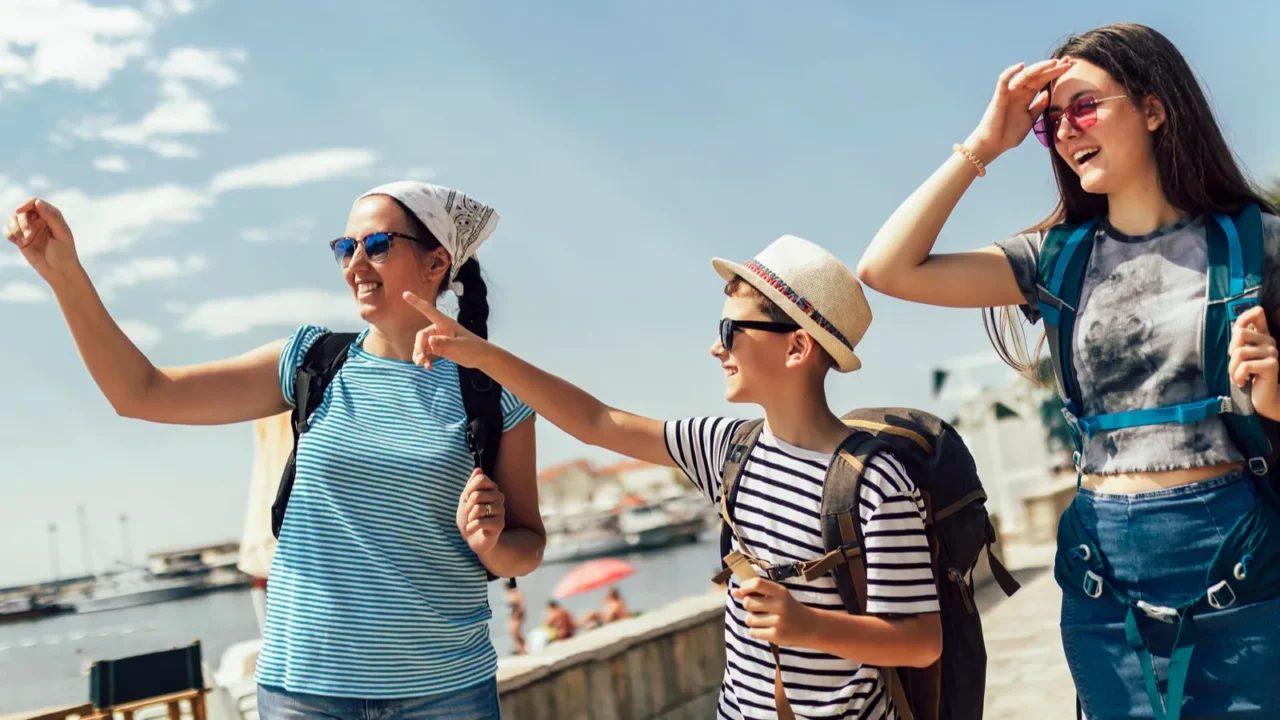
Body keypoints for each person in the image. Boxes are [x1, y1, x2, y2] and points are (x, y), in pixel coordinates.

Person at [855, 23, 1280, 717]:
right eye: (1050, 123)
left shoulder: (1257, 244)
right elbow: (887, 268)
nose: (1065, 131)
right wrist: (983, 147)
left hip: (1234, 547)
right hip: (1100, 569)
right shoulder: (1054, 260)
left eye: (1084, 107)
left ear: (1153, 106)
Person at [3, 181, 544, 719]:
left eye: (377, 245)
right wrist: (64, 274)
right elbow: (141, 392)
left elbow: (528, 543)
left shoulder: (494, 387)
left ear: (436, 263)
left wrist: (493, 545)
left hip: (445, 691)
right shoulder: (308, 362)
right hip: (303, 693)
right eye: (344, 247)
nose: (356, 262)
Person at [400, 235, 942, 719]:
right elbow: (597, 422)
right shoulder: (728, 447)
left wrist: (812, 628)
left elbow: (921, 641)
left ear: (797, 346)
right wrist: (480, 356)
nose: (716, 346)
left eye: (731, 329)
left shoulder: (875, 480)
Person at [505, 578, 527, 655]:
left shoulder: (514, 594)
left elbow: (518, 605)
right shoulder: (516, 593)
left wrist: (516, 615)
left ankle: (522, 649)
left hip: (516, 616)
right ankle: (520, 648)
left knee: (515, 633)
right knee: (514, 633)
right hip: (515, 615)